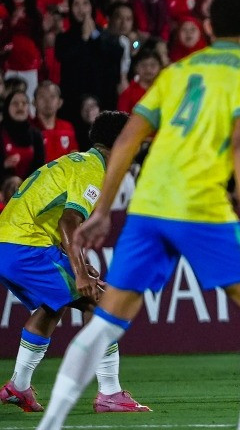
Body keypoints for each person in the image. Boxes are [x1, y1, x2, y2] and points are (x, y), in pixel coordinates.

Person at [34, 0, 240, 429]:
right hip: (199, 205)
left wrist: (101, 211)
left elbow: (129, 136)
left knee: (106, 323)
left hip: (148, 205)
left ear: (206, 25)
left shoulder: (177, 72)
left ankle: (51, 423)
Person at [0, 111, 149, 414]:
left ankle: (19, 386)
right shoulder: (93, 169)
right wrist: (80, 272)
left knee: (52, 307)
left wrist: (74, 261)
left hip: (11, 245)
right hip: (26, 246)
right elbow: (70, 222)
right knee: (102, 302)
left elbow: (51, 217)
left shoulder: (78, 161)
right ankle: (109, 392)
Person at [32, 81, 79, 163]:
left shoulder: (67, 127)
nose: (47, 101)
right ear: (34, 102)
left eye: (52, 97)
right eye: (42, 97)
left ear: (60, 102)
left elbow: (74, 154)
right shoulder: (29, 128)